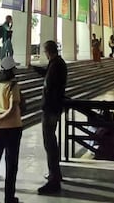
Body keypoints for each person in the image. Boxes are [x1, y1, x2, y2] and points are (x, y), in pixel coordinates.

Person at [32, 40, 67, 195]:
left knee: (50, 143)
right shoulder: (57, 63)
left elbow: (50, 85)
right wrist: (34, 69)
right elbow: (48, 75)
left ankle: (54, 179)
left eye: (44, 51)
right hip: (54, 108)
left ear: (48, 51)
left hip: (51, 109)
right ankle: (55, 173)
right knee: (51, 142)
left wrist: (47, 106)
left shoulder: (56, 65)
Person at [0, 55, 23, 203]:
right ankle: (9, 197)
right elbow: (13, 109)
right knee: (11, 163)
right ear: (11, 69)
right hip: (12, 127)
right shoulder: (13, 85)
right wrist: (1, 119)